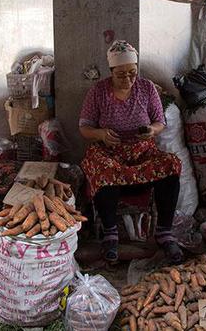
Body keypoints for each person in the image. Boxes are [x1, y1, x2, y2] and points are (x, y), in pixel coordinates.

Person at [79, 40, 184, 264]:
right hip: (109, 152)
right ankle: (110, 232)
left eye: (132, 73)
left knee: (170, 163)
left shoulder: (146, 88)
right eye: (121, 75)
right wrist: (101, 134)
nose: (128, 80)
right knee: (103, 169)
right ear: (111, 72)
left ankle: (164, 231)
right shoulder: (98, 92)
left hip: (141, 152)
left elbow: (160, 121)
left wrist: (151, 131)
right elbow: (84, 127)